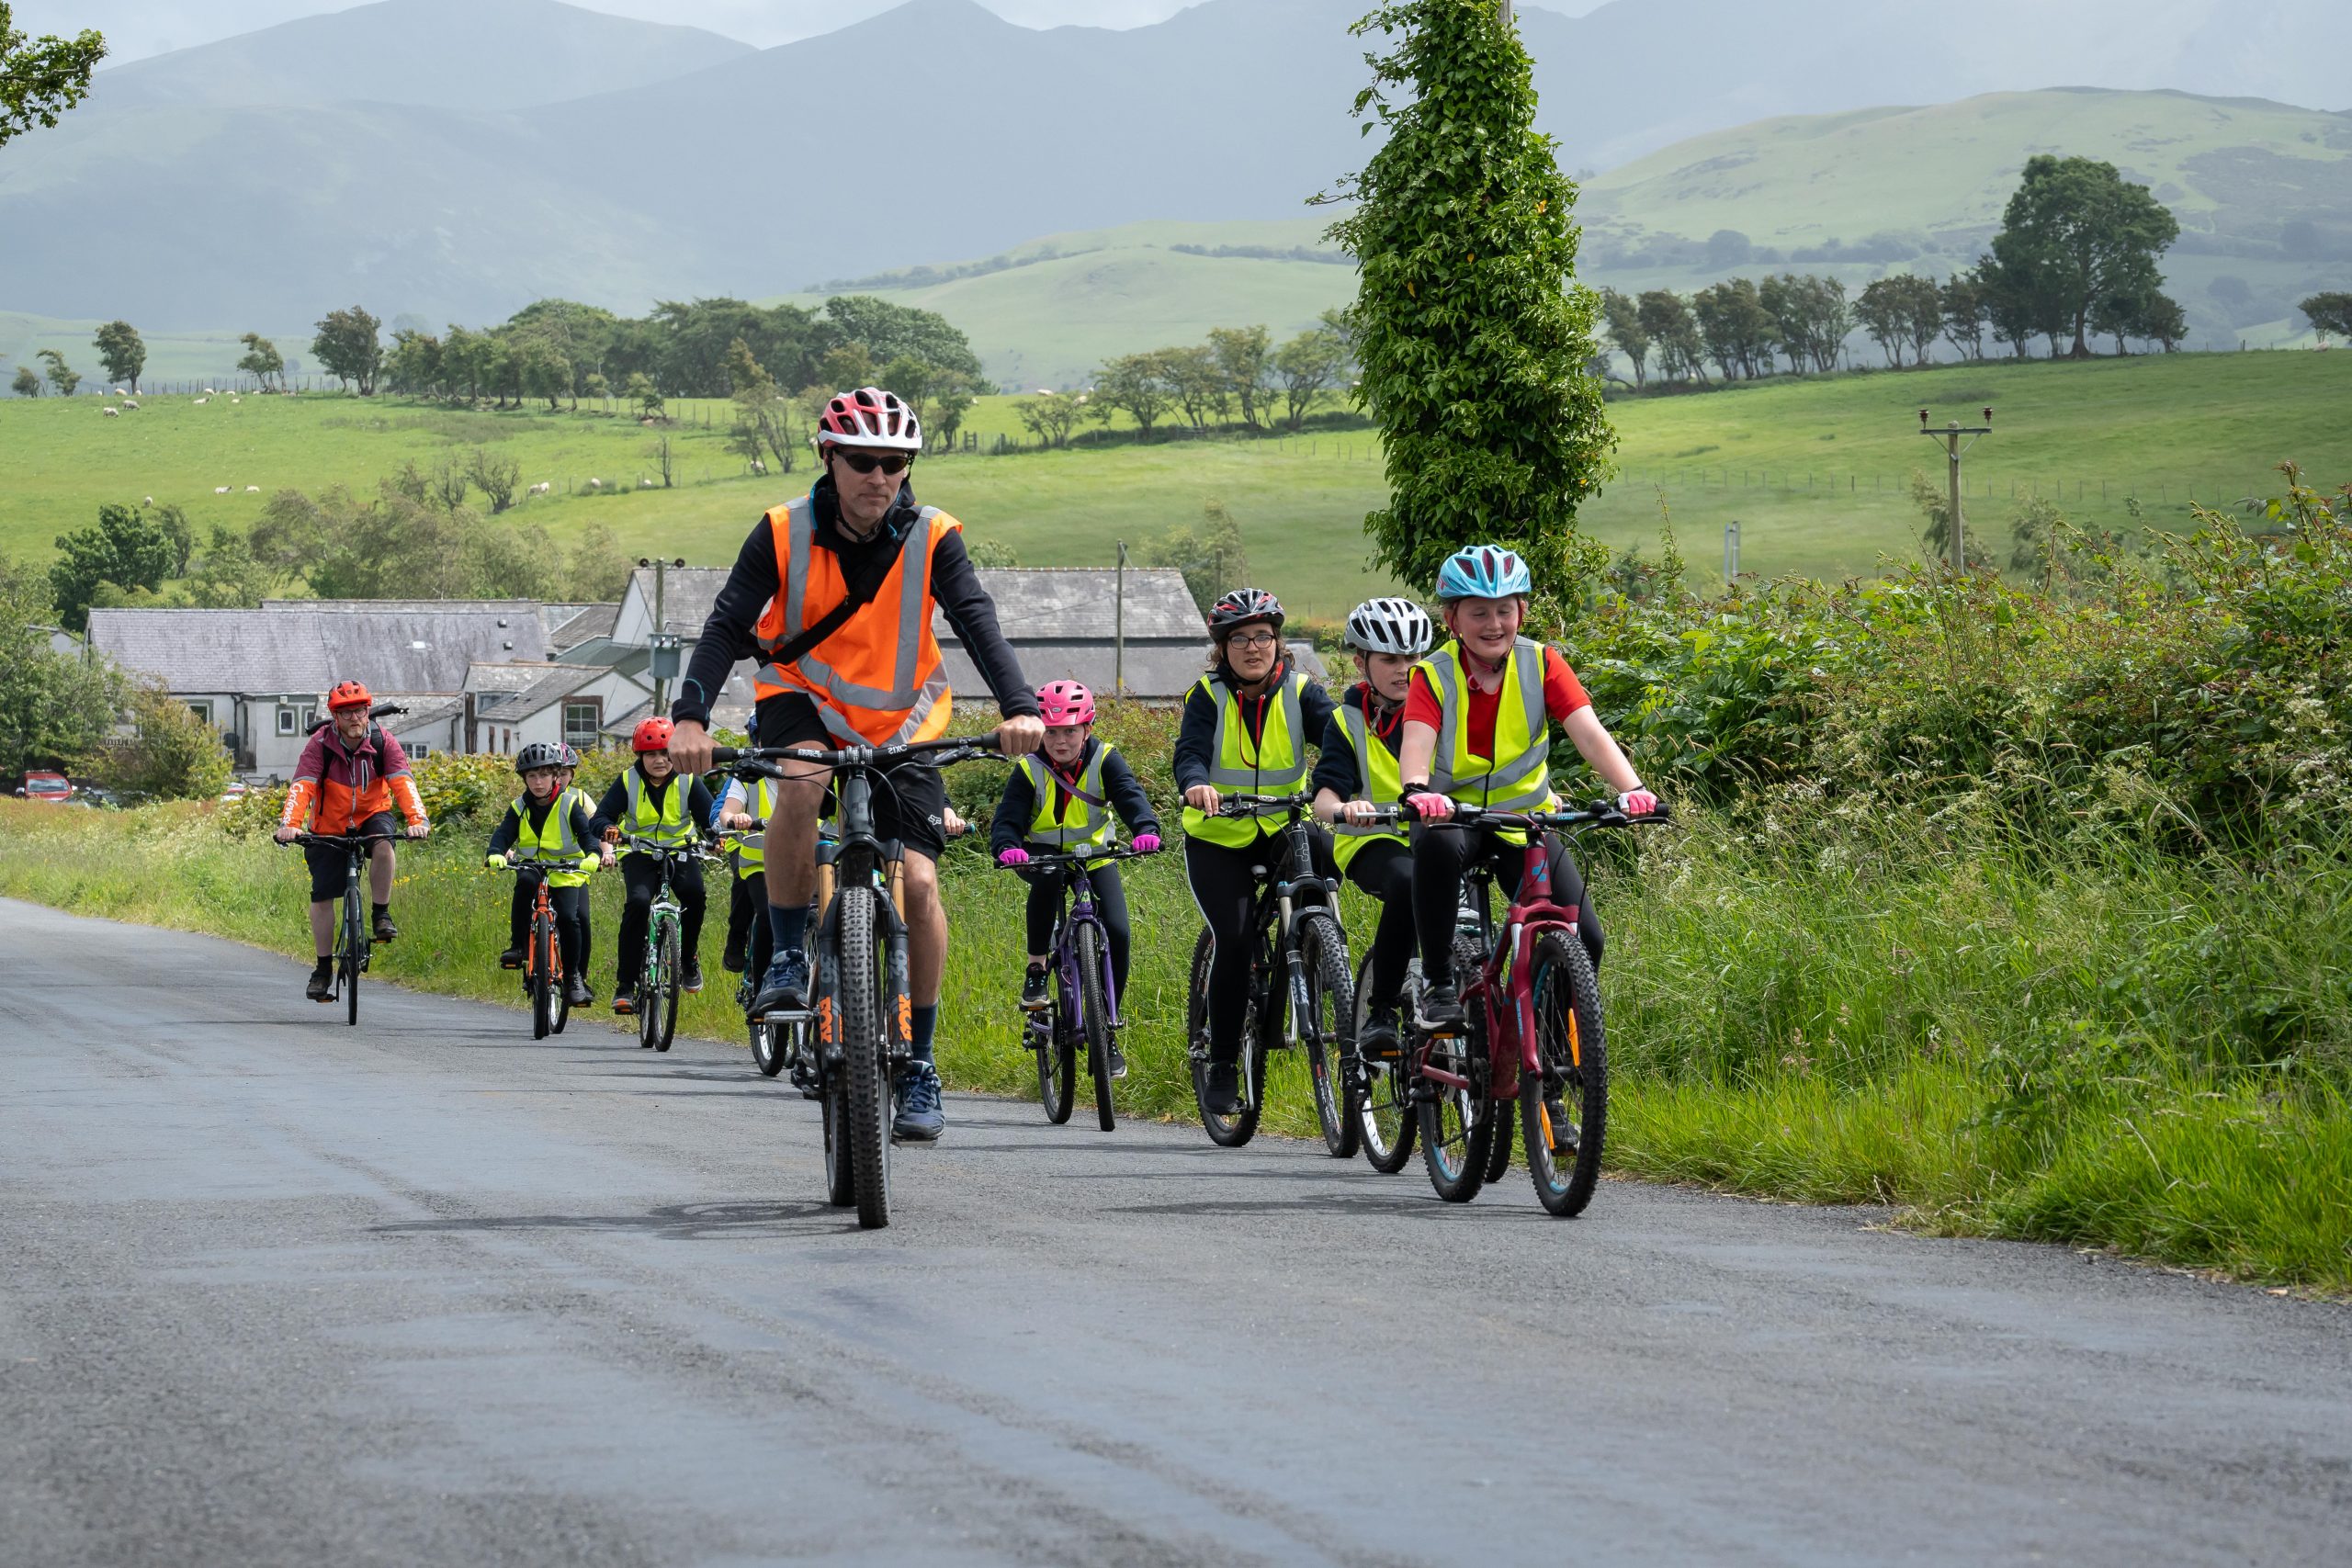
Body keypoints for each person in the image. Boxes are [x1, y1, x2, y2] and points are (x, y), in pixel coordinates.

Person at [665, 386, 1044, 1142]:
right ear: (828, 458)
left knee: (924, 882)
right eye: (865, 461)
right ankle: (781, 956)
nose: (881, 477)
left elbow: (977, 620)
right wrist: (689, 718)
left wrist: (1020, 705)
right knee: (800, 783)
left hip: (902, 718)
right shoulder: (781, 531)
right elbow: (725, 625)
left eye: (897, 463)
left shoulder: (934, 534)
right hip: (800, 698)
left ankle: (921, 1063)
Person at [1397, 545, 1658, 1041]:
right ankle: (1436, 984)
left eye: (1504, 609)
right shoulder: (1432, 674)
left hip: (1526, 822)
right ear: (1452, 618)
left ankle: (1553, 1053)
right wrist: (1418, 790)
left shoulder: (1542, 663)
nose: (1493, 623)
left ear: (1522, 612)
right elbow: (1417, 744)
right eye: (1478, 612)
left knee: (1585, 936)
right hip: (1456, 818)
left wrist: (1634, 790)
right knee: (1434, 846)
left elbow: (1589, 734)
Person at [1174, 588, 1337, 1118]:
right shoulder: (1207, 695)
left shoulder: (1301, 691)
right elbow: (1191, 753)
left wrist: (1345, 788)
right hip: (1218, 835)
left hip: (1281, 824)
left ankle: (1319, 945)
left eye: (1262, 637)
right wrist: (1197, 784)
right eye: (1239, 639)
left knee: (1326, 859)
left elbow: (1339, 742)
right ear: (1222, 649)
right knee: (1238, 937)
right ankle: (1222, 1063)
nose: (1252, 648)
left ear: (1277, 642)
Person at [991, 681, 1162, 1077]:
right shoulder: (1029, 766)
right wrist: (1007, 846)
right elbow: (1008, 819)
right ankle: (1036, 971)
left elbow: (1130, 796)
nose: (1060, 741)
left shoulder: (1105, 758)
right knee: (1049, 875)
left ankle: (1108, 1027)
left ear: (1087, 728)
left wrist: (1146, 829)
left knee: (1118, 931)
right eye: (1050, 732)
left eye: (1070, 731)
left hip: (1097, 857)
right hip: (1042, 856)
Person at [1311, 596, 1435, 1069]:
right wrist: (1346, 808)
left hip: (1436, 837)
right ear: (1361, 661)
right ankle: (1380, 1011)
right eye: (1390, 659)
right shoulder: (1347, 721)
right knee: (1407, 882)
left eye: (1414, 658)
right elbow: (1323, 799)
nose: (1405, 669)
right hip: (1372, 840)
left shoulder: (1445, 710)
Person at [273, 681, 430, 1002]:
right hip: (328, 825)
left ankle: (381, 914)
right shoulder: (320, 745)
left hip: (372, 814)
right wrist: (290, 824)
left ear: (368, 711)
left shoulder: (383, 742)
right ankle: (322, 969)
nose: (355, 719)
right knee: (322, 896)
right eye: (346, 714)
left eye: (359, 711)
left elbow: (403, 783)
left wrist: (418, 820)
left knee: (384, 844)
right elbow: (302, 786)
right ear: (335, 718)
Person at [591, 716, 749, 1015]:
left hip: (680, 851)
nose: (660, 760)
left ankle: (688, 958)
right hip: (640, 852)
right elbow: (599, 817)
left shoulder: (688, 780)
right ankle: (625, 986)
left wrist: (716, 838)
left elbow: (709, 819)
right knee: (637, 903)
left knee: (694, 895)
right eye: (651, 754)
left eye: (665, 753)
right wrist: (610, 829)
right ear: (641, 756)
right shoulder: (628, 780)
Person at [486, 742, 612, 1007]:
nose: (538, 782)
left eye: (544, 775)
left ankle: (574, 977)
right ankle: (518, 946)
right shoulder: (519, 806)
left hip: (567, 871)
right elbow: (503, 834)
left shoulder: (569, 804)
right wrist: (496, 852)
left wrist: (593, 855)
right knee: (524, 885)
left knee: (569, 917)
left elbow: (587, 835)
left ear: (556, 776)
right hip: (533, 866)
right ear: (524, 779)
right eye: (531, 776)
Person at [553, 743, 597, 1003]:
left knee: (581, 919)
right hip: (542, 868)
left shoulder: (581, 800)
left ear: (572, 775)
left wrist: (605, 852)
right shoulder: (534, 800)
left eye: (564, 772)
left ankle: (578, 976)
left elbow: (597, 829)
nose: (558, 778)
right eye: (553, 772)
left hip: (575, 872)